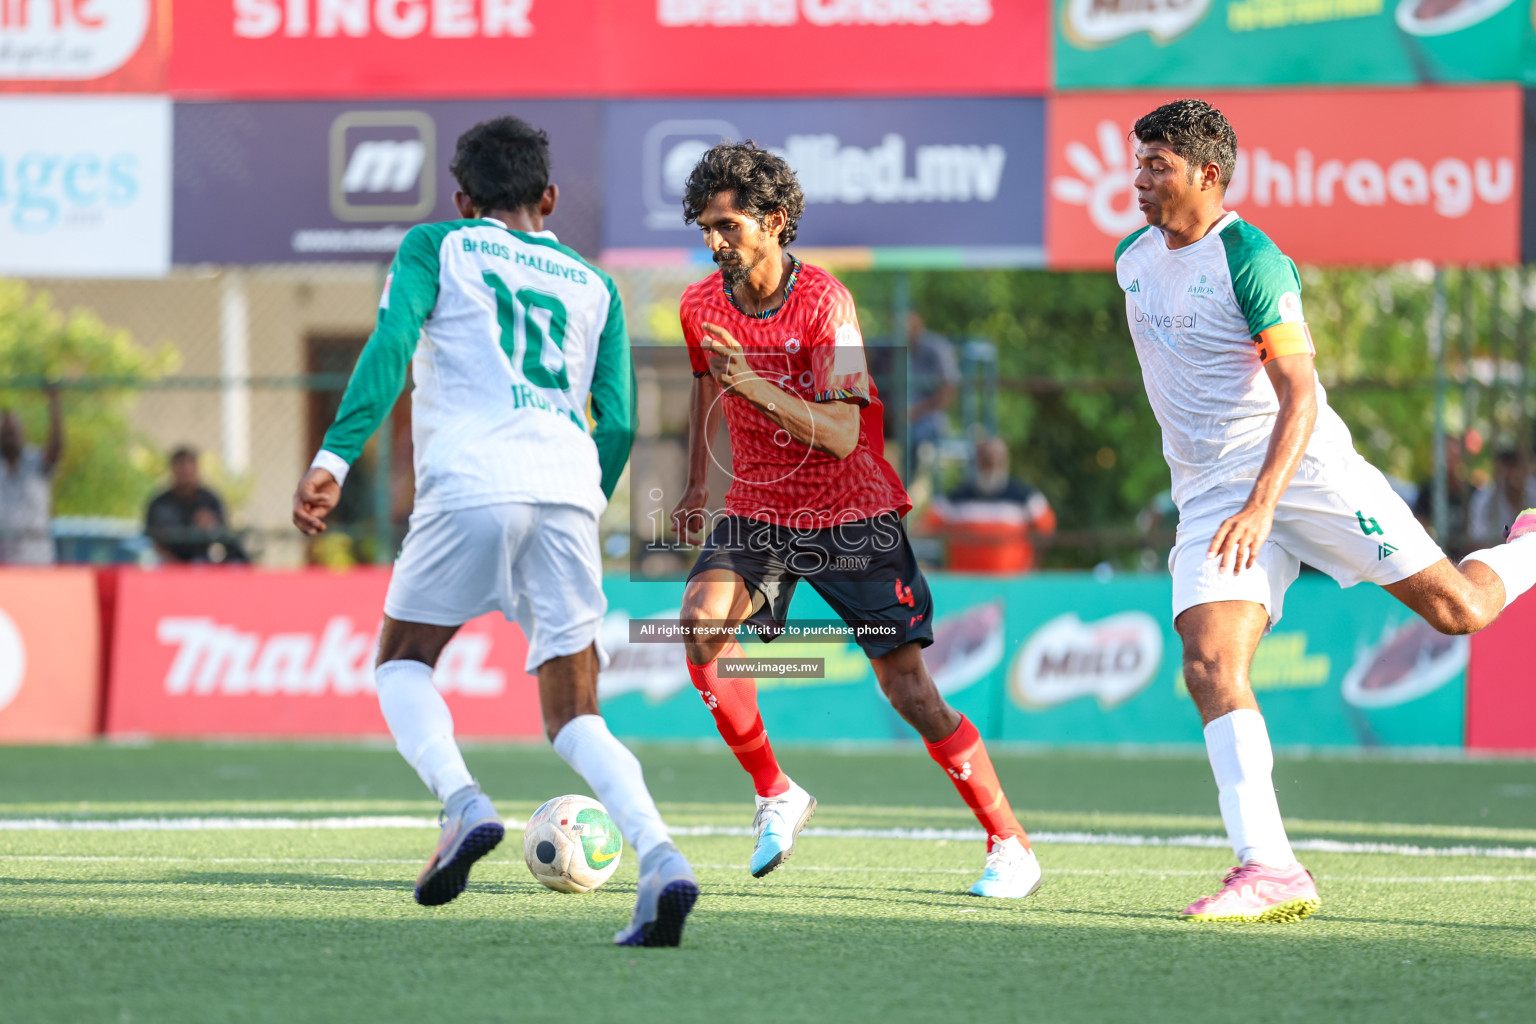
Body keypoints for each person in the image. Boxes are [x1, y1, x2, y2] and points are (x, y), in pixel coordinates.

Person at [1117, 98, 1536, 923]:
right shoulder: (1132, 257)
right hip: (1208, 494)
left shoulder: (1254, 259)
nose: (1138, 178)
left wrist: (1263, 506)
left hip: (1302, 470)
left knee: (1460, 610)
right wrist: (1230, 501)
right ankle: (1270, 868)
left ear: (1208, 174)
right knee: (1208, 665)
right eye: (1138, 161)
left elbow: (1301, 394)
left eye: (1156, 163)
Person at [292, 116, 697, 947]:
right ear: (548, 197)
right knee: (577, 714)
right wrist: (582, 494)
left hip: (471, 481)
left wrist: (334, 457)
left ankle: (463, 802)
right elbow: (616, 422)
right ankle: (660, 856)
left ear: (462, 197)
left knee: (404, 661)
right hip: (567, 492)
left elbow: (392, 344)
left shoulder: (438, 244)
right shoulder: (597, 285)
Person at [669, 142, 1040, 899]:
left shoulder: (827, 304)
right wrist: (692, 488)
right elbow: (706, 393)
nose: (714, 242)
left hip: (848, 508)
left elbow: (841, 431)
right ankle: (776, 792)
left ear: (774, 222)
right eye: (705, 227)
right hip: (758, 506)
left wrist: (755, 385)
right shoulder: (698, 304)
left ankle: (1011, 843)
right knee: (701, 624)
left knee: (909, 692)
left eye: (728, 226)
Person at [928, 435, 1056, 573]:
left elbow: (1047, 529)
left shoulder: (1025, 497)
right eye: (985, 458)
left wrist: (1033, 566)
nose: (991, 463)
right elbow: (923, 529)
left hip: (1011, 584)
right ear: (977, 461)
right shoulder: (955, 499)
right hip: (964, 583)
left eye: (996, 457)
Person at [146, 447, 245, 563]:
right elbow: (151, 541)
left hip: (207, 561)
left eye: (189, 470)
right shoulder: (159, 504)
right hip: (169, 563)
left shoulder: (210, 501)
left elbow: (224, 536)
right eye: (181, 470)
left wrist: (212, 525)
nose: (186, 475)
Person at [0, 387, 63, 565]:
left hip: (36, 563)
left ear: (22, 434)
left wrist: (54, 404)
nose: (9, 437)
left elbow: (56, 448)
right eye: (5, 433)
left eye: (12, 432)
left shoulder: (35, 462)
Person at [906, 311, 959, 456]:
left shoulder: (937, 348)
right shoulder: (892, 349)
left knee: (914, 436)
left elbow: (949, 390)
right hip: (898, 417)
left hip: (929, 417)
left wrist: (916, 411)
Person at [1469, 449, 1536, 547]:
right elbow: (1476, 540)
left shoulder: (1533, 492)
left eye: (1517, 466)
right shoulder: (1484, 499)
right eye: (1509, 467)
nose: (1514, 472)